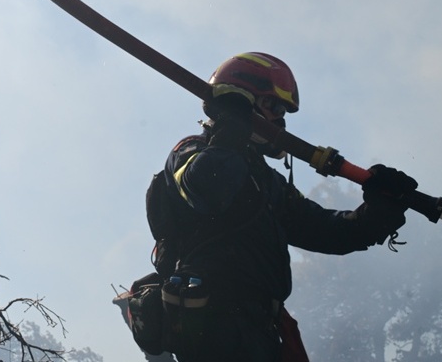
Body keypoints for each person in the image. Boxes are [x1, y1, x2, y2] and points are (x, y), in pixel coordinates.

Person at [144, 52, 419, 362]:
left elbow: (329, 231)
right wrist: (232, 128)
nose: (280, 120)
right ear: (240, 100)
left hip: (258, 327)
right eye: (273, 107)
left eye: (283, 111)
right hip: (213, 324)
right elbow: (209, 187)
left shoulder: (266, 181)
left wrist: (382, 207)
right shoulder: (191, 151)